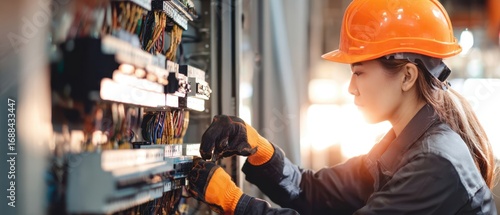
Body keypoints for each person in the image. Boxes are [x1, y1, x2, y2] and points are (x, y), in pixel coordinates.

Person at [187, 0, 498, 214]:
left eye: (359, 72)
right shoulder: (398, 148)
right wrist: (259, 150)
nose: (351, 87)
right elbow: (312, 194)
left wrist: (234, 202)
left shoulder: (436, 164)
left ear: (407, 76)